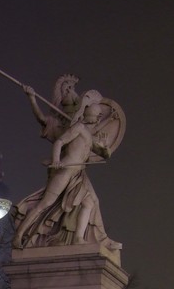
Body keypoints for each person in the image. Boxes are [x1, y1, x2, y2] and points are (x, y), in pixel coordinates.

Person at [12, 90, 120, 250]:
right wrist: (56, 160)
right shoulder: (79, 128)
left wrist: (105, 150)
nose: (99, 120)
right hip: (65, 171)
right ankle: (18, 236)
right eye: (98, 117)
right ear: (93, 117)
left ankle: (78, 238)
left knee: (90, 202)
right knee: (45, 204)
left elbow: (99, 149)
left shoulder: (88, 134)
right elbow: (59, 142)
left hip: (78, 173)